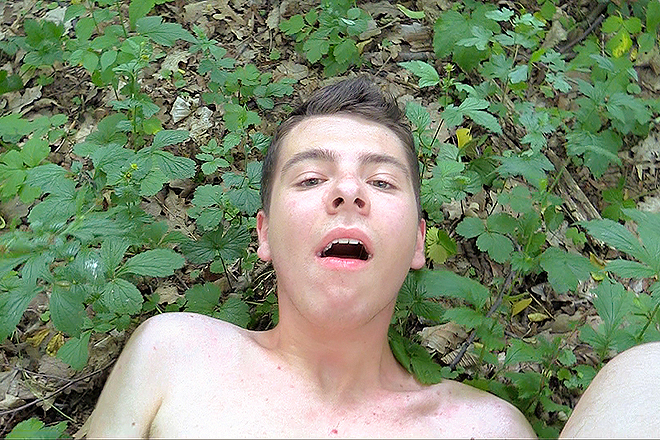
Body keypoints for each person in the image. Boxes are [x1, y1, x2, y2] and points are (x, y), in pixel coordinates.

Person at [86, 77, 536, 438]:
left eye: (381, 181)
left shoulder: (486, 429)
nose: (348, 190)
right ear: (264, 233)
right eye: (310, 178)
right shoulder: (171, 357)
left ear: (419, 242)